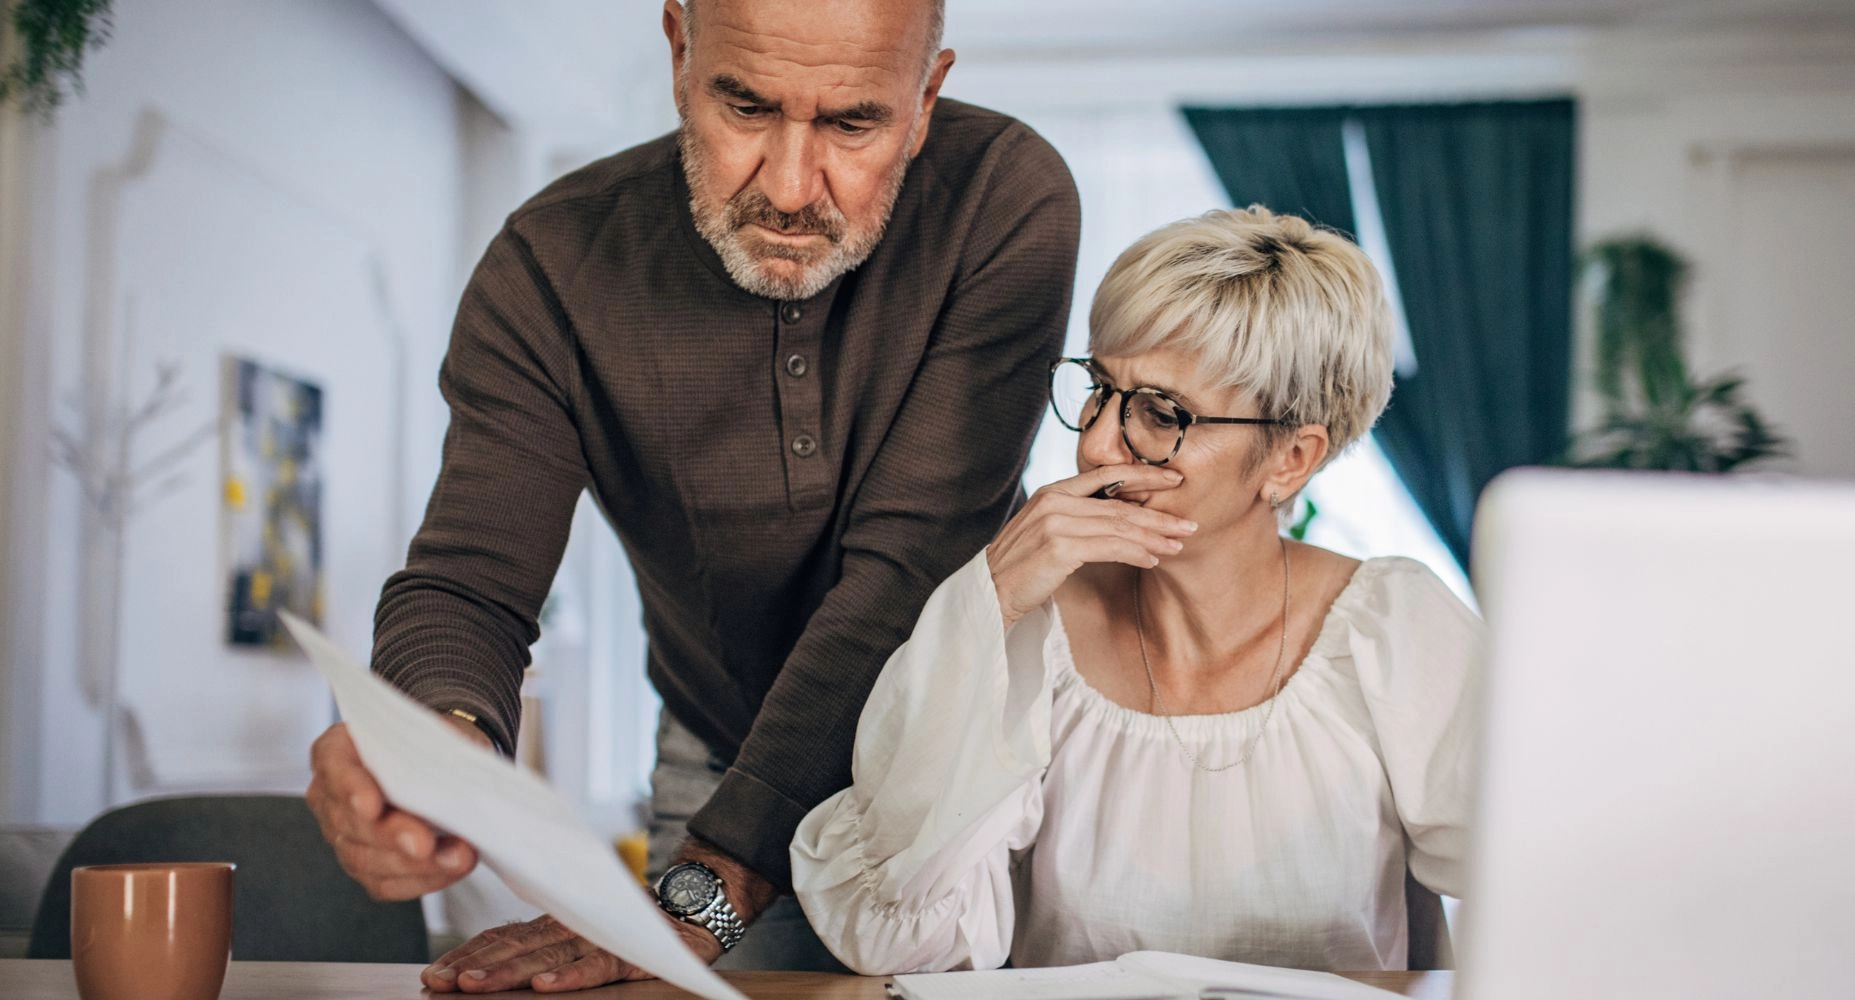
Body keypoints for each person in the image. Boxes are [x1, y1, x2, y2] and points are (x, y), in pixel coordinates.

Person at [303, 0, 1079, 989]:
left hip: (960, 772)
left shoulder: (1003, 199)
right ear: (678, 53)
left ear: (925, 99)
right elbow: (469, 582)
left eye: (852, 124)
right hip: (716, 753)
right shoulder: (549, 268)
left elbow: (908, 572)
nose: (792, 187)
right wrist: (434, 749)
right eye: (746, 107)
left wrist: (717, 877)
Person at [790, 206, 1483, 974]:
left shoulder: (1394, 632)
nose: (1092, 444)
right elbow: (898, 941)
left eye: (1160, 414)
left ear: (1291, 459)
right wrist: (985, 606)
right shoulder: (1032, 634)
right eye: (1098, 389)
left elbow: (1560, 888)